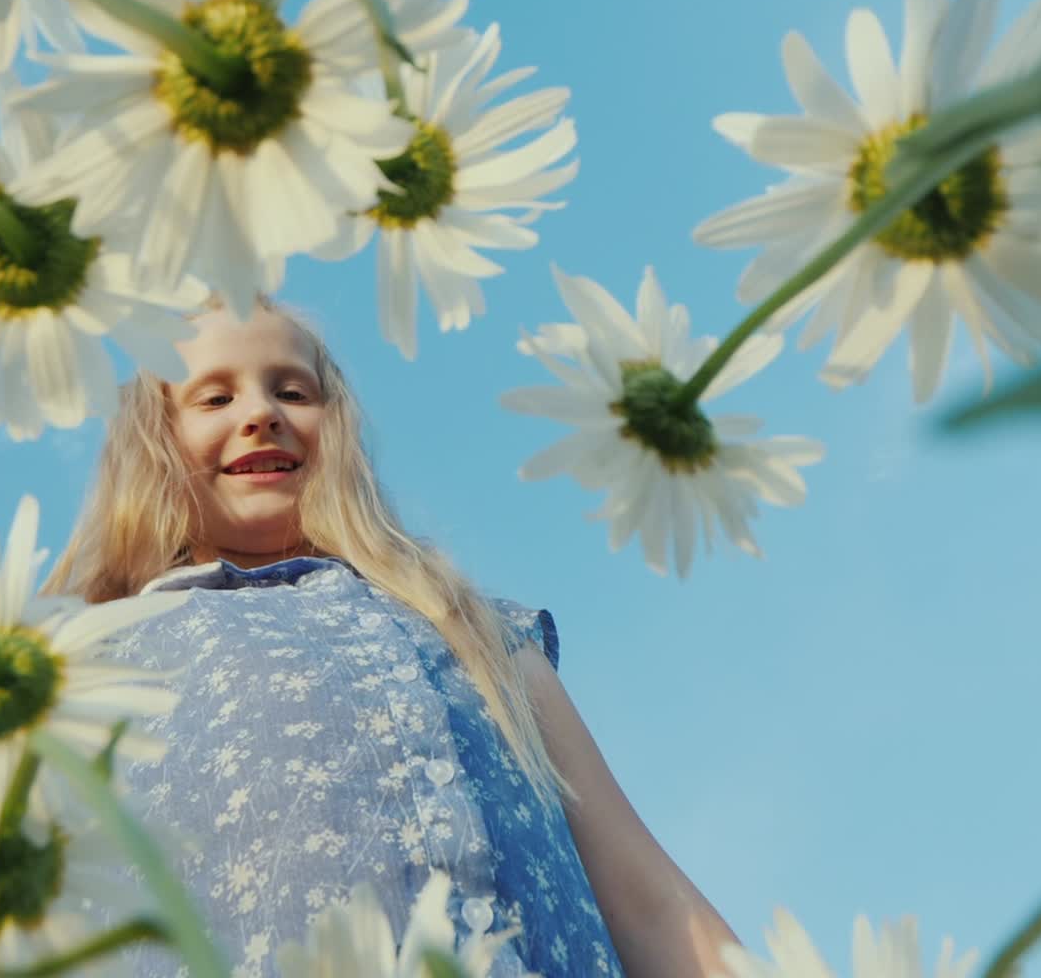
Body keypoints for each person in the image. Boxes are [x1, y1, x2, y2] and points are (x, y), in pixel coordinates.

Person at [45, 300, 739, 977]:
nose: (262, 414)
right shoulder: (93, 656)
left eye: (293, 390)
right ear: (152, 445)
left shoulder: (471, 629)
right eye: (213, 398)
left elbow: (647, 899)